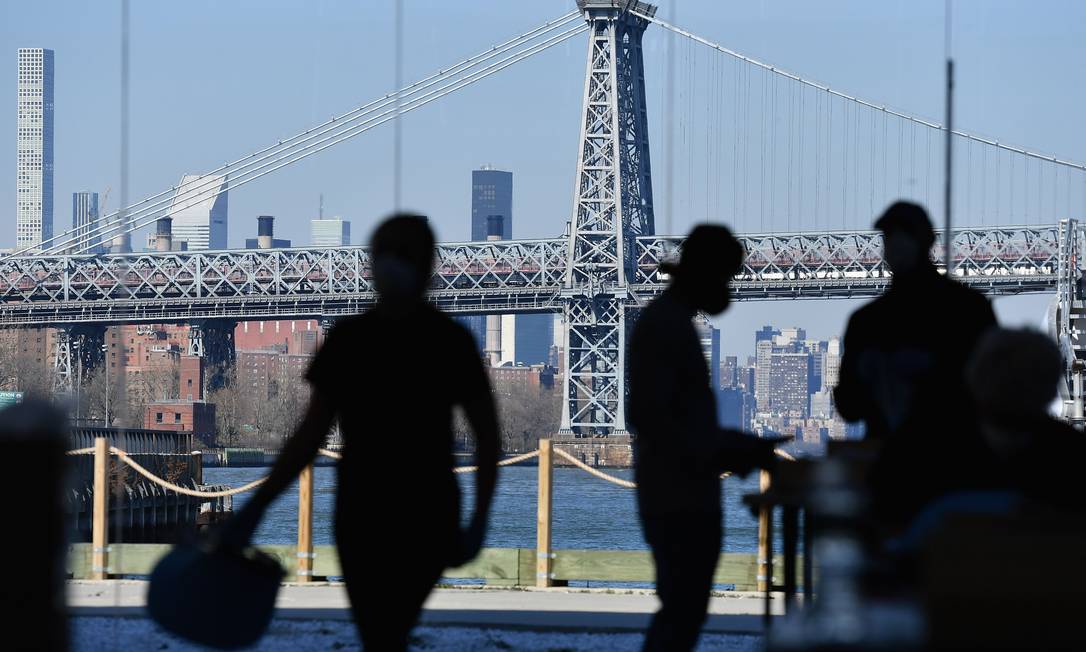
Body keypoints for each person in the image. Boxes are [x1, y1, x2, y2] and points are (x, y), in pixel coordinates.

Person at [219, 214, 499, 651]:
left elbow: (308, 438)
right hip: (427, 510)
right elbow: (488, 436)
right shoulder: (450, 340)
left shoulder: (351, 338)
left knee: (378, 632)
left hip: (364, 509)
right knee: (392, 630)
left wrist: (255, 510)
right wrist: (479, 520)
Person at [629, 224, 781, 652]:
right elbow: (655, 419)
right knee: (683, 609)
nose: (729, 288)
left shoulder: (668, 321)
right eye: (726, 276)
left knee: (682, 609)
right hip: (679, 497)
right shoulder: (667, 327)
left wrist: (734, 445)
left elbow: (674, 421)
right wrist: (733, 448)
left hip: (677, 491)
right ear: (706, 273)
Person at [834, 201, 998, 531]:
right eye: (889, 236)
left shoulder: (867, 323)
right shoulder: (970, 310)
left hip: (889, 474)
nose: (892, 244)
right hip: (958, 471)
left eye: (897, 236)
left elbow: (849, 407)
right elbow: (993, 392)